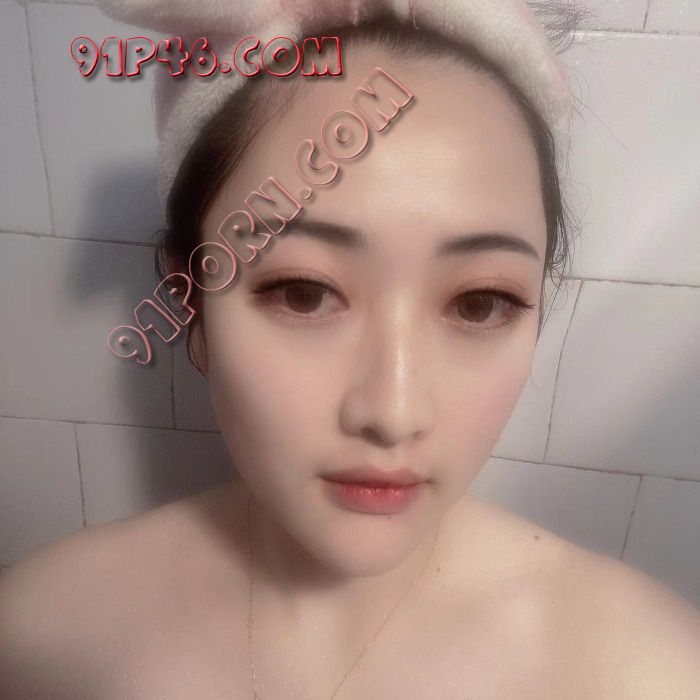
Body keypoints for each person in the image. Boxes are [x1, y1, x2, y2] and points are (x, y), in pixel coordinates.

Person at [2, 4, 699, 699]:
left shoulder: (647, 671)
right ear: (193, 309)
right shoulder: (41, 641)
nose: (393, 412)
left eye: (480, 303)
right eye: (303, 293)